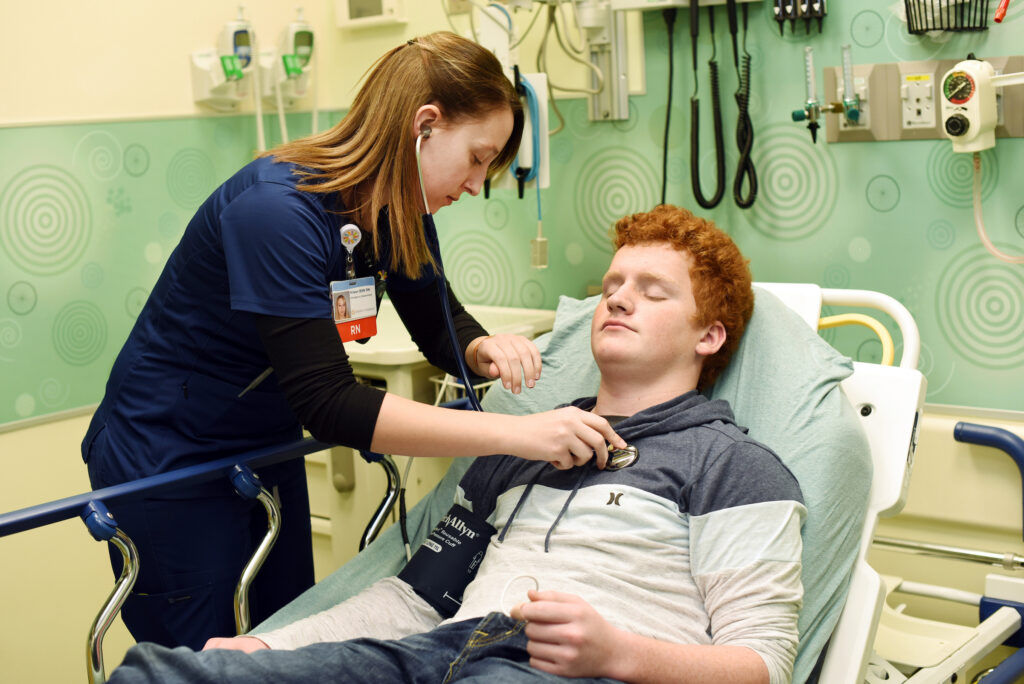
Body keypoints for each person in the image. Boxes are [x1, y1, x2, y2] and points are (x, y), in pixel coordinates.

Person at [83, 31, 625, 651]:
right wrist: (523, 434)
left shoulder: (398, 208)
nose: (478, 182)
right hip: (169, 456)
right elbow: (330, 402)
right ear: (426, 125)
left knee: (282, 644)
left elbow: (439, 322)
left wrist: (482, 351)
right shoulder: (277, 211)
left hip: (263, 447)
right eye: (477, 157)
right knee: (198, 659)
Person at [108, 205, 806, 684]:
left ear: (709, 336)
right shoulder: (522, 443)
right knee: (166, 671)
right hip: (430, 655)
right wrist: (269, 645)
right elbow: (415, 604)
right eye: (613, 284)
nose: (618, 299)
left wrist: (618, 652)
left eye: (653, 292)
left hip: (564, 671)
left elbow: (764, 663)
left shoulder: (733, 467)